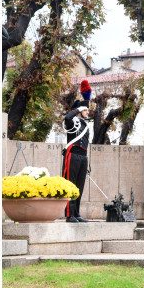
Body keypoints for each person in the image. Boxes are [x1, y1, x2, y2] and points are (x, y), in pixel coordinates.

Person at [62, 80, 92, 223]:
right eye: (85, 110)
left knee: (79, 186)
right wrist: (78, 109)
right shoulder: (72, 120)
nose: (88, 112)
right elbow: (67, 117)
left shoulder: (85, 124)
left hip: (82, 157)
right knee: (70, 184)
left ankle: (77, 213)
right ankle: (69, 214)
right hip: (72, 155)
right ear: (80, 111)